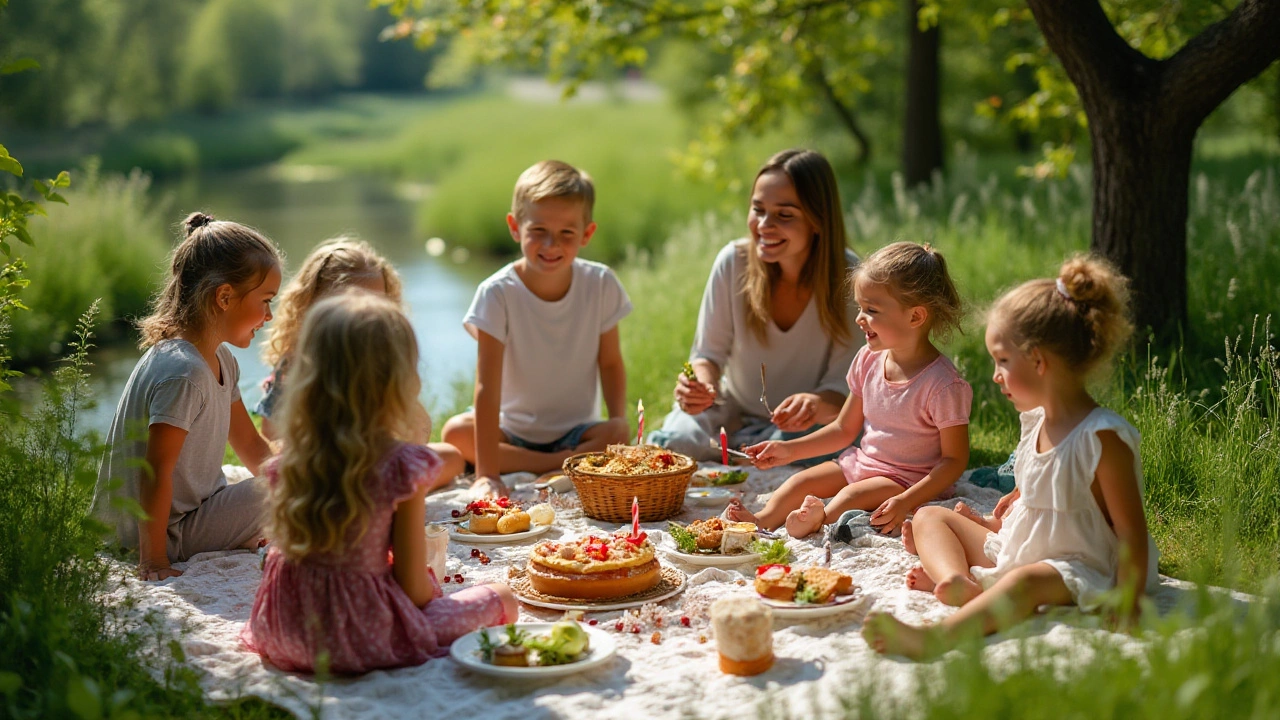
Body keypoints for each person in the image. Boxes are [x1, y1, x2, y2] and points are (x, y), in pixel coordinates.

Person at [864, 256, 1160, 660]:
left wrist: (1128, 599)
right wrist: (1018, 498)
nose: (995, 376)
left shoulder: (1102, 438)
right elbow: (1047, 484)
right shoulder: (1036, 421)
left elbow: (1131, 533)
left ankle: (936, 638)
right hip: (1024, 546)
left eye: (1003, 362)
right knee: (931, 516)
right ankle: (958, 580)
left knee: (1026, 584)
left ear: (1039, 362)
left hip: (1079, 566)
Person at [242, 292, 517, 674]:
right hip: (356, 637)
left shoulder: (288, 462)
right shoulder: (401, 465)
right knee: (503, 597)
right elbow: (412, 589)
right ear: (398, 382)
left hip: (281, 627)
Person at [726, 241, 971, 539]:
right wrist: (788, 450)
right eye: (860, 307)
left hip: (909, 481)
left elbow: (954, 460)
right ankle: (762, 519)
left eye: (872, 310)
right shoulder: (868, 360)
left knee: (850, 497)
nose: (859, 318)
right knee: (800, 482)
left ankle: (818, 521)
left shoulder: (942, 384)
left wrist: (907, 500)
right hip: (863, 463)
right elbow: (844, 429)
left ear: (915, 317)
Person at [92, 212, 282, 581]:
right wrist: (154, 561)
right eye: (265, 301)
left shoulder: (220, 358)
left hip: (189, 514)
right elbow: (154, 473)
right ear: (225, 297)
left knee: (294, 476)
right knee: (284, 490)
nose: (269, 315)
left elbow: (249, 445)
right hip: (154, 534)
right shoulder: (184, 372)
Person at [649, 148, 862, 462]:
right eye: (758, 209)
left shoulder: (849, 277)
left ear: (818, 221)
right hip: (730, 411)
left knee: (841, 448)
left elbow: (845, 386)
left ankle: (745, 452)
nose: (764, 225)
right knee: (676, 444)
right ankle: (744, 449)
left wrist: (814, 403)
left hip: (805, 427)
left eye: (784, 214)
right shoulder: (733, 262)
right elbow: (707, 355)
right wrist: (702, 388)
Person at [442, 160, 631, 497]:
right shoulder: (497, 293)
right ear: (515, 227)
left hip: (578, 431)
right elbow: (487, 384)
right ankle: (563, 463)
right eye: (538, 231)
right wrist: (486, 474)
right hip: (511, 431)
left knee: (617, 431)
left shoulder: (600, 283)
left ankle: (551, 460)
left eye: (566, 233)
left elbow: (611, 363)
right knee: (456, 433)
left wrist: (619, 442)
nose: (550, 245)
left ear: (587, 234)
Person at [256, 237, 464, 483]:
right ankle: (397, 497)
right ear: (313, 304)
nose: (365, 312)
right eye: (351, 302)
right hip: (324, 468)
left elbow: (417, 432)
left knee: (451, 457)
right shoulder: (297, 362)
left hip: (376, 460)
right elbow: (271, 434)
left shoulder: (381, 361)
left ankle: (398, 494)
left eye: (377, 302)